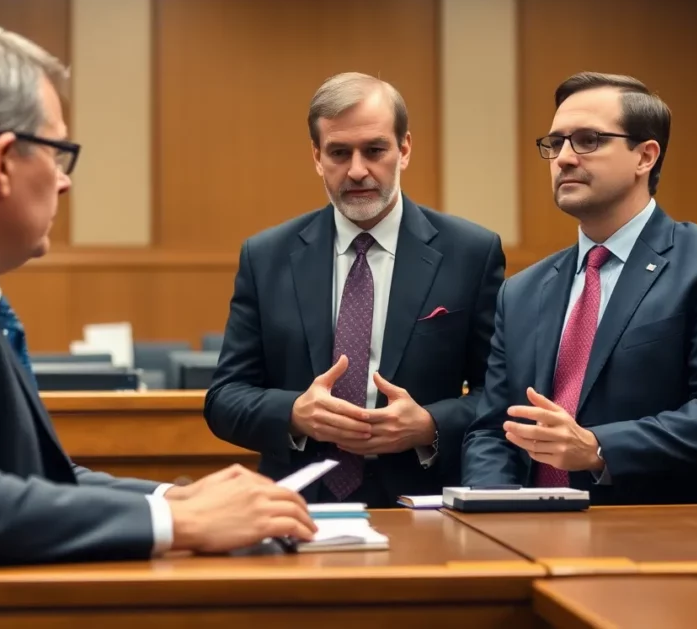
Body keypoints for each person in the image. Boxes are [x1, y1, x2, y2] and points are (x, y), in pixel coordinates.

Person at [0, 21, 314, 629]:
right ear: (2, 162)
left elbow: (20, 481)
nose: (65, 179)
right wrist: (181, 525)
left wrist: (172, 498)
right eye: (57, 152)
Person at [461, 72, 697, 505]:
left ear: (645, 156)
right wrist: (499, 510)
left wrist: (598, 448)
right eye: (556, 143)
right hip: (527, 537)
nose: (564, 158)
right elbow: (493, 430)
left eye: (588, 140)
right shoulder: (522, 291)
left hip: (658, 536)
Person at [204, 72, 505, 507]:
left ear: (404, 149)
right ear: (316, 156)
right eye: (339, 152)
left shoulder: (470, 253)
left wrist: (428, 424)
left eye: (375, 150)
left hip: (422, 506)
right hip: (297, 507)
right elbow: (225, 398)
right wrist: (295, 414)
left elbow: (498, 394)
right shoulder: (266, 256)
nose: (358, 169)